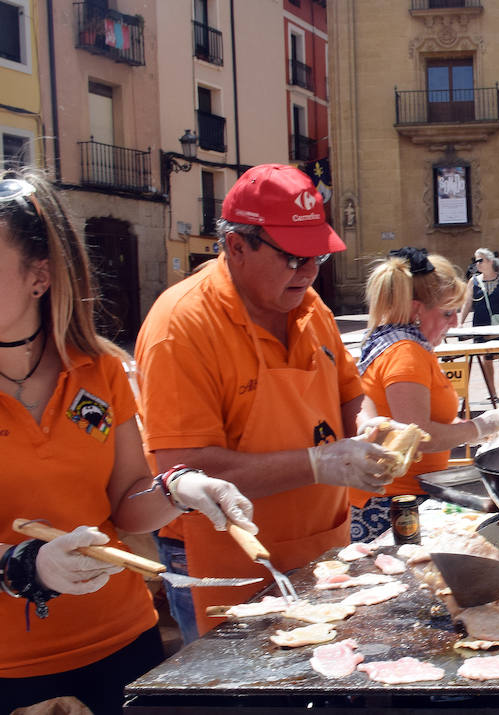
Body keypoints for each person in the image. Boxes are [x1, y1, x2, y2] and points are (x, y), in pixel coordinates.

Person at [0, 169, 255, 715]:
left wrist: (180, 488)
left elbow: (126, 504)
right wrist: (27, 566)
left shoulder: (101, 370)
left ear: (40, 276)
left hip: (121, 648)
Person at [135, 164, 395, 641]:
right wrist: (318, 464)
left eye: (319, 256)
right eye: (295, 257)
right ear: (236, 246)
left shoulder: (310, 305)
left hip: (323, 546)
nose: (310, 272)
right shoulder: (181, 326)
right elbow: (183, 468)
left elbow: (349, 396)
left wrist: (372, 431)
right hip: (226, 559)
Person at [357, 247, 499, 540]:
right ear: (417, 310)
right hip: (395, 504)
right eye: (447, 312)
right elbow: (419, 436)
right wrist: (478, 427)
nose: (455, 321)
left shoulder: (403, 346)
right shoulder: (406, 353)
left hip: (403, 497)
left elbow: (415, 421)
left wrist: (470, 431)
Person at [460, 248, 499, 402]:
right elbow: (467, 303)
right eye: (476, 260)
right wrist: (460, 322)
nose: (477, 263)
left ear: (490, 261)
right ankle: (492, 392)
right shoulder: (473, 281)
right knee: (486, 359)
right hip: (481, 324)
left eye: (480, 260)